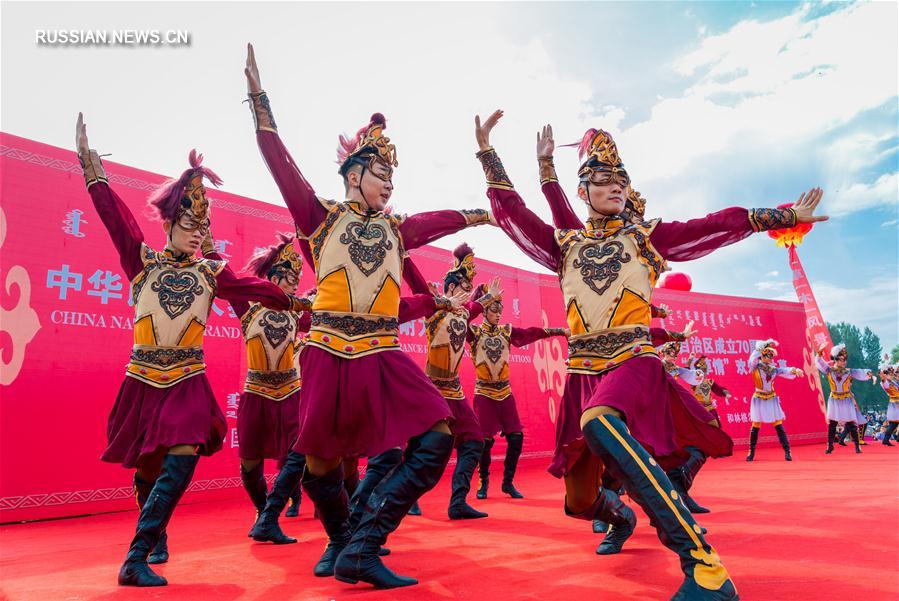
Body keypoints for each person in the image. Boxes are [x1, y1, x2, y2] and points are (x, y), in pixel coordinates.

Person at [477, 108, 826, 599]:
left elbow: (714, 222)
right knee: (578, 502)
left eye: (621, 179)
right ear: (584, 191)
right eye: (602, 180)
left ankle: (704, 566)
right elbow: (515, 214)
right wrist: (489, 153)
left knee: (599, 421)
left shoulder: (644, 238)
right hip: (581, 371)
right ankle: (618, 516)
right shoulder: (566, 246)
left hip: (633, 361)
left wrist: (783, 216)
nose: (616, 186)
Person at [243, 45, 493, 588]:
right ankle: (345, 545)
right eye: (380, 172)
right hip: (328, 352)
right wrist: (260, 103)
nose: (389, 182)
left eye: (392, 176)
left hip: (382, 355)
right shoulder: (319, 219)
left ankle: (363, 541)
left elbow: (432, 223)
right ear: (353, 172)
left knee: (438, 436)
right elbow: (280, 164)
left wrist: (476, 213)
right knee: (320, 467)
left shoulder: (396, 230)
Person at [75, 114, 311, 587]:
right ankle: (155, 533)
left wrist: (296, 300)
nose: (198, 231)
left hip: (186, 381)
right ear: (170, 221)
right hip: (142, 379)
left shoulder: (210, 272)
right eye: (189, 222)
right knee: (148, 469)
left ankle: (135, 557)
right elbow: (115, 219)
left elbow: (254, 286)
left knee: (181, 459)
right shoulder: (140, 261)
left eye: (204, 225)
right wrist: (92, 172)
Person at [204, 234, 312, 535]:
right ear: (274, 277)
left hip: (292, 393)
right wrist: (210, 244)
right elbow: (226, 279)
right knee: (250, 463)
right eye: (290, 278)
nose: (294, 284)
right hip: (256, 394)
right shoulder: (249, 309)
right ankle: (263, 514)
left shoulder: (297, 311)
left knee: (298, 453)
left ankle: (271, 517)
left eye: (297, 278)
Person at [470, 286, 569, 500]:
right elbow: (465, 316)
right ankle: (483, 481)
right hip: (484, 393)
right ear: (485, 311)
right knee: (484, 441)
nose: (497, 314)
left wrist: (558, 332)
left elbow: (529, 333)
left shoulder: (506, 331)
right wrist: (478, 297)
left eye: (499, 311)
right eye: (493, 310)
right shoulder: (474, 333)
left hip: (504, 392)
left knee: (516, 437)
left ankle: (507, 483)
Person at [746, 340, 804, 461]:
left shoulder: (773, 369)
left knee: (778, 424)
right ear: (762, 355)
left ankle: (787, 451)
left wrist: (795, 370)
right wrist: (760, 347)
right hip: (759, 398)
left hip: (771, 398)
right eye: (768, 355)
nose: (771, 358)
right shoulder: (755, 366)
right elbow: (752, 359)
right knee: (756, 425)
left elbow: (784, 370)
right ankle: (751, 452)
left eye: (772, 356)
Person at [818, 343, 873, 454]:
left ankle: (857, 446)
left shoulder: (849, 371)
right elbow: (820, 363)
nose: (844, 362)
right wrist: (819, 353)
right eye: (841, 360)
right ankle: (830, 446)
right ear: (836, 360)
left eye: (845, 360)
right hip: (834, 399)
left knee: (852, 423)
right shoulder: (829, 370)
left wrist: (869, 373)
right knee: (832, 424)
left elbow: (860, 373)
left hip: (846, 399)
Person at [878, 361, 899, 446]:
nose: (892, 374)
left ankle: (888, 439)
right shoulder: (887, 383)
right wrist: (883, 378)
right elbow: (885, 384)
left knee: (894, 423)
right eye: (890, 373)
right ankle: (887, 439)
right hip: (895, 404)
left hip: (895, 403)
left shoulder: (894, 382)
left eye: (892, 373)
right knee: (894, 423)